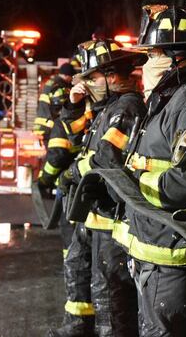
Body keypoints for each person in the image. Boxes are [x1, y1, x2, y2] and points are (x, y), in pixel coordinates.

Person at [112, 5, 186, 336]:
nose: (146, 64)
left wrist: (135, 183)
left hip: (170, 252)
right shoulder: (168, 99)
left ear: (174, 56)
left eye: (153, 54)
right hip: (153, 245)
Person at [60, 39, 147, 337]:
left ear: (112, 76)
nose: (88, 85)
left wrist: (74, 171)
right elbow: (76, 141)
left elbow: (107, 157)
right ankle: (78, 326)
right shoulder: (105, 109)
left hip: (111, 218)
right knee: (79, 269)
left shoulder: (127, 106)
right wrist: (73, 105)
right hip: (94, 215)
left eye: (93, 78)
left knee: (109, 293)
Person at [45, 49, 97, 337]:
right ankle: (79, 320)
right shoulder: (90, 109)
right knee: (79, 258)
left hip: (86, 197)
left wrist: (53, 178)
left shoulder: (116, 110)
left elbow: (61, 150)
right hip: (80, 195)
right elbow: (72, 131)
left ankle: (82, 322)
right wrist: (74, 105)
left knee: (81, 259)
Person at [33, 63, 75, 140]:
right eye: (71, 77)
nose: (71, 80)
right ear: (67, 75)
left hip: (42, 124)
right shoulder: (60, 85)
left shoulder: (51, 82)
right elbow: (58, 106)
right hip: (50, 126)